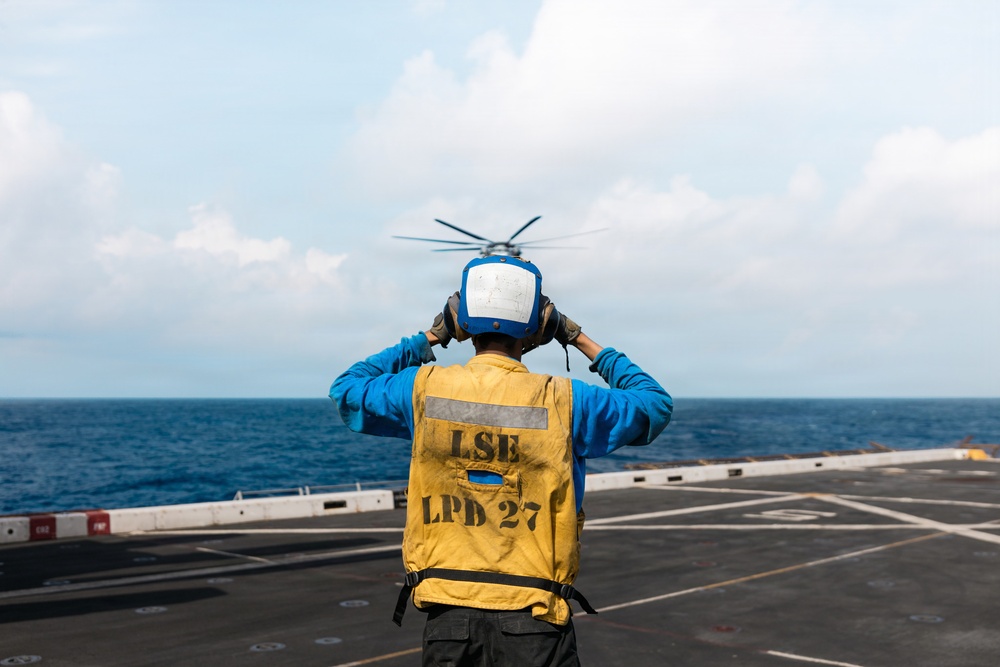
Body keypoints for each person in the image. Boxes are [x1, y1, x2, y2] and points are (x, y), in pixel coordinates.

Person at [331, 254, 672, 666]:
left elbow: (347, 389)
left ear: (464, 322)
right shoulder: (564, 400)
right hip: (535, 619)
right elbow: (653, 405)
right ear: (538, 326)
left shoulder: (423, 390)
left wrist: (430, 337)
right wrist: (576, 336)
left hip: (448, 623)